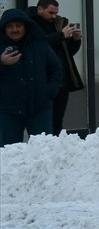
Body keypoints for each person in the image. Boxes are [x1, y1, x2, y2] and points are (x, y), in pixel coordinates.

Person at [0, 8, 63, 146]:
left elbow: (56, 70)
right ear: (4, 29)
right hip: (8, 110)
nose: (15, 29)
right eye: (10, 26)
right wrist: (2, 63)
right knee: (8, 153)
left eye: (18, 26)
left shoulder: (40, 44)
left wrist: (49, 93)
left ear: (25, 27)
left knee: (44, 150)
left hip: (39, 108)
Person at [28, 0, 84, 134]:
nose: (54, 16)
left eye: (56, 13)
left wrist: (75, 40)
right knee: (43, 119)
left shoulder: (59, 23)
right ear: (39, 9)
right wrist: (60, 35)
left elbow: (68, 52)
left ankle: (56, 146)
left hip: (61, 80)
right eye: (50, 12)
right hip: (43, 79)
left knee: (58, 119)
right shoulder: (30, 24)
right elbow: (39, 47)